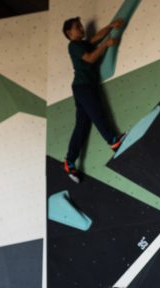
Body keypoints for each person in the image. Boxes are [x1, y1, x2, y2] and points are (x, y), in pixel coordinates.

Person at [62, 16, 128, 183]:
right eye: (78, 27)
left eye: (81, 25)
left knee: (82, 126)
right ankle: (113, 141)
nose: (81, 28)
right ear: (69, 32)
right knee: (96, 113)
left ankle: (69, 162)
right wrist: (106, 45)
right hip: (83, 86)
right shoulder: (73, 46)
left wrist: (111, 25)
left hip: (84, 87)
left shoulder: (83, 43)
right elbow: (90, 58)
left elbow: (96, 37)